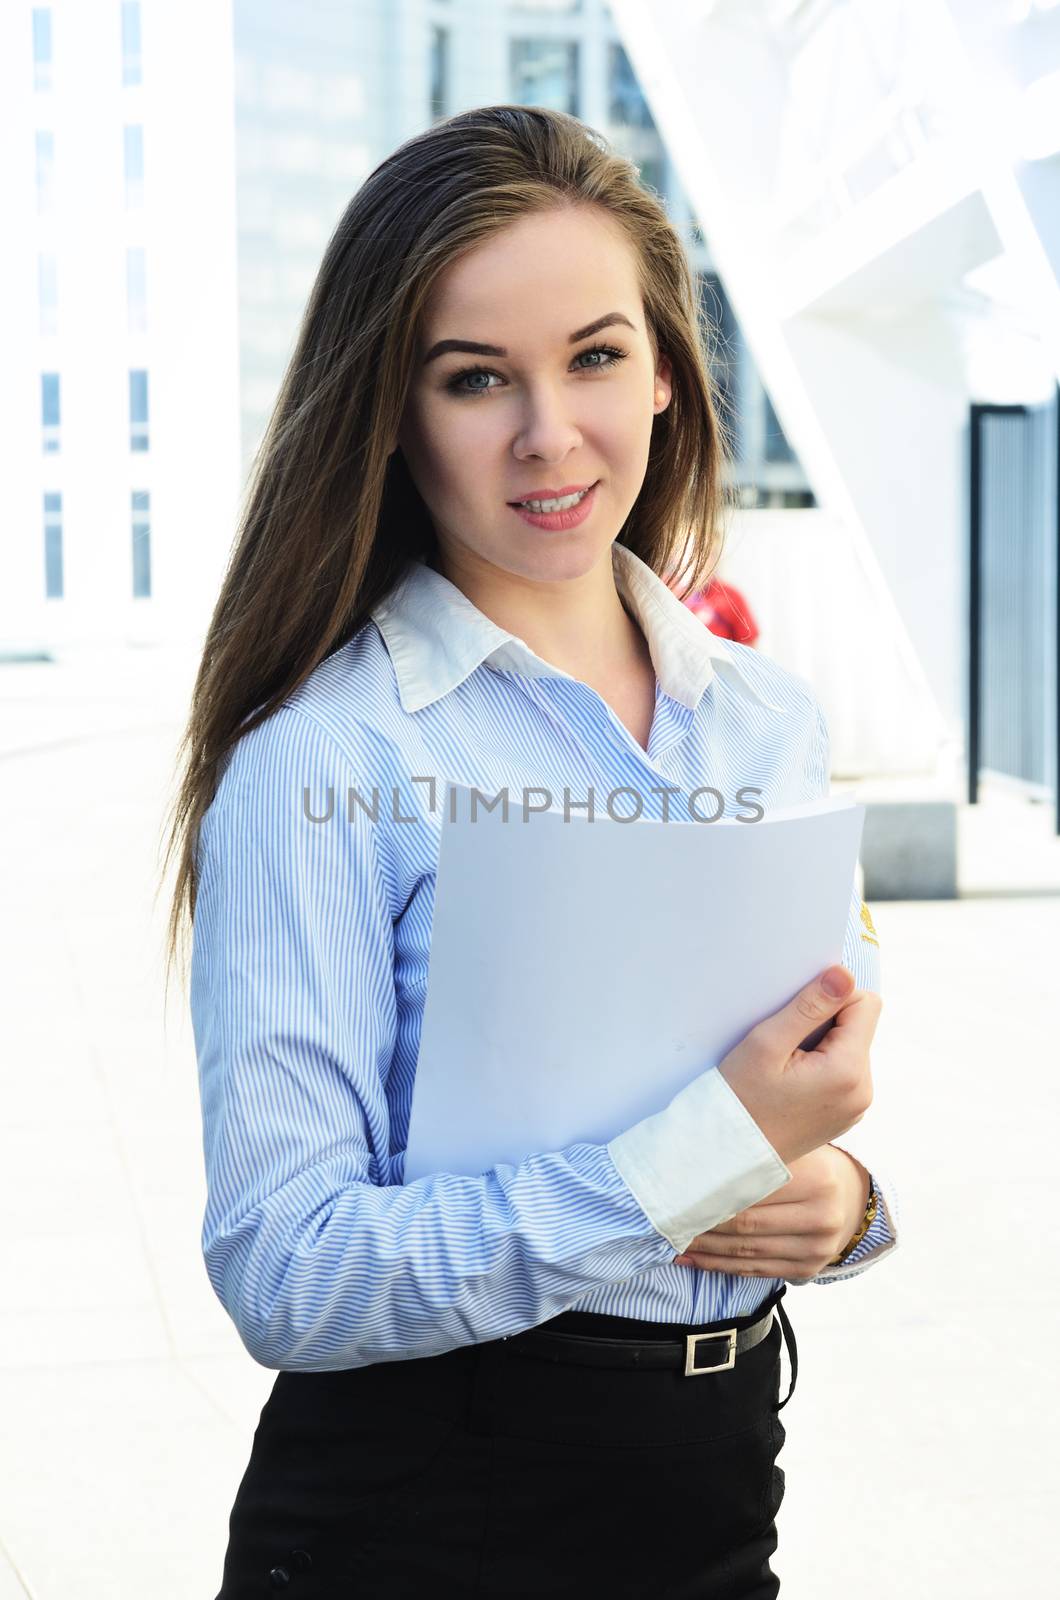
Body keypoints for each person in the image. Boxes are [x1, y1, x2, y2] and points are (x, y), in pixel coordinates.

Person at [161, 104, 899, 1598]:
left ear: (672, 376)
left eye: (597, 356)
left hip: (715, 1494)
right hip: (429, 1518)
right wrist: (689, 1165)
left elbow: (783, 1095)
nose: (550, 434)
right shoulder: (327, 759)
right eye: (475, 377)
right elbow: (286, 1270)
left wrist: (844, 1207)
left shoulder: (762, 722)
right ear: (387, 407)